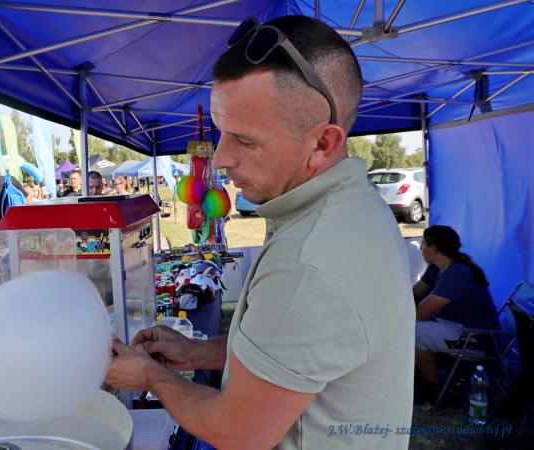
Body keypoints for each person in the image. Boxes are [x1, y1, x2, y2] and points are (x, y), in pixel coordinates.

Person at [105, 16, 414, 450]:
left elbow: (238, 432)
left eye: (245, 141)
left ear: (323, 143)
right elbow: (294, 355)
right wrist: (197, 353)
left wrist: (151, 376)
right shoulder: (354, 208)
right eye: (221, 132)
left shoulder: (308, 262)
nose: (221, 158)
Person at [413, 225, 499, 398]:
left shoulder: (458, 273)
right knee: (413, 325)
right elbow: (414, 294)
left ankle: (432, 387)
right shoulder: (438, 266)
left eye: (424, 244)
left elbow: (420, 313)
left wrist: (396, 313)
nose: (421, 248)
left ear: (434, 249)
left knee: (414, 332)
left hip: (478, 338)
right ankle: (421, 371)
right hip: (458, 327)